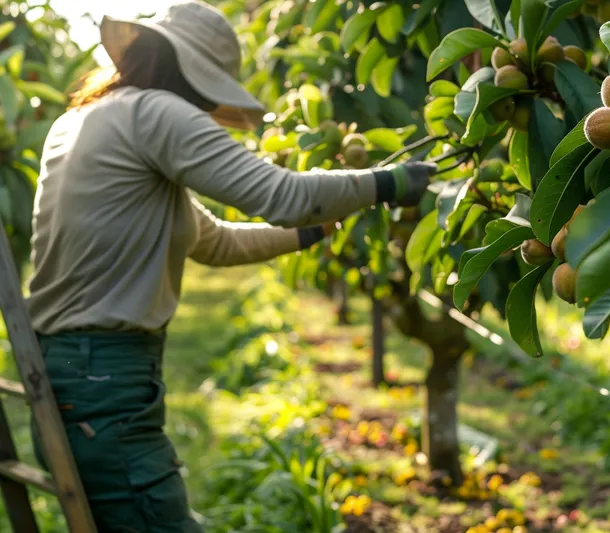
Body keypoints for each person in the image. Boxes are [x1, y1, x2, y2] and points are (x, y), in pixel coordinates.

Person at [26, 1, 435, 531]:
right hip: (104, 384)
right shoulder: (156, 115)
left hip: (74, 377)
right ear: (194, 76)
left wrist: (310, 231)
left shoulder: (88, 118)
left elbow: (213, 242)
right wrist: (386, 184)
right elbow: (282, 194)